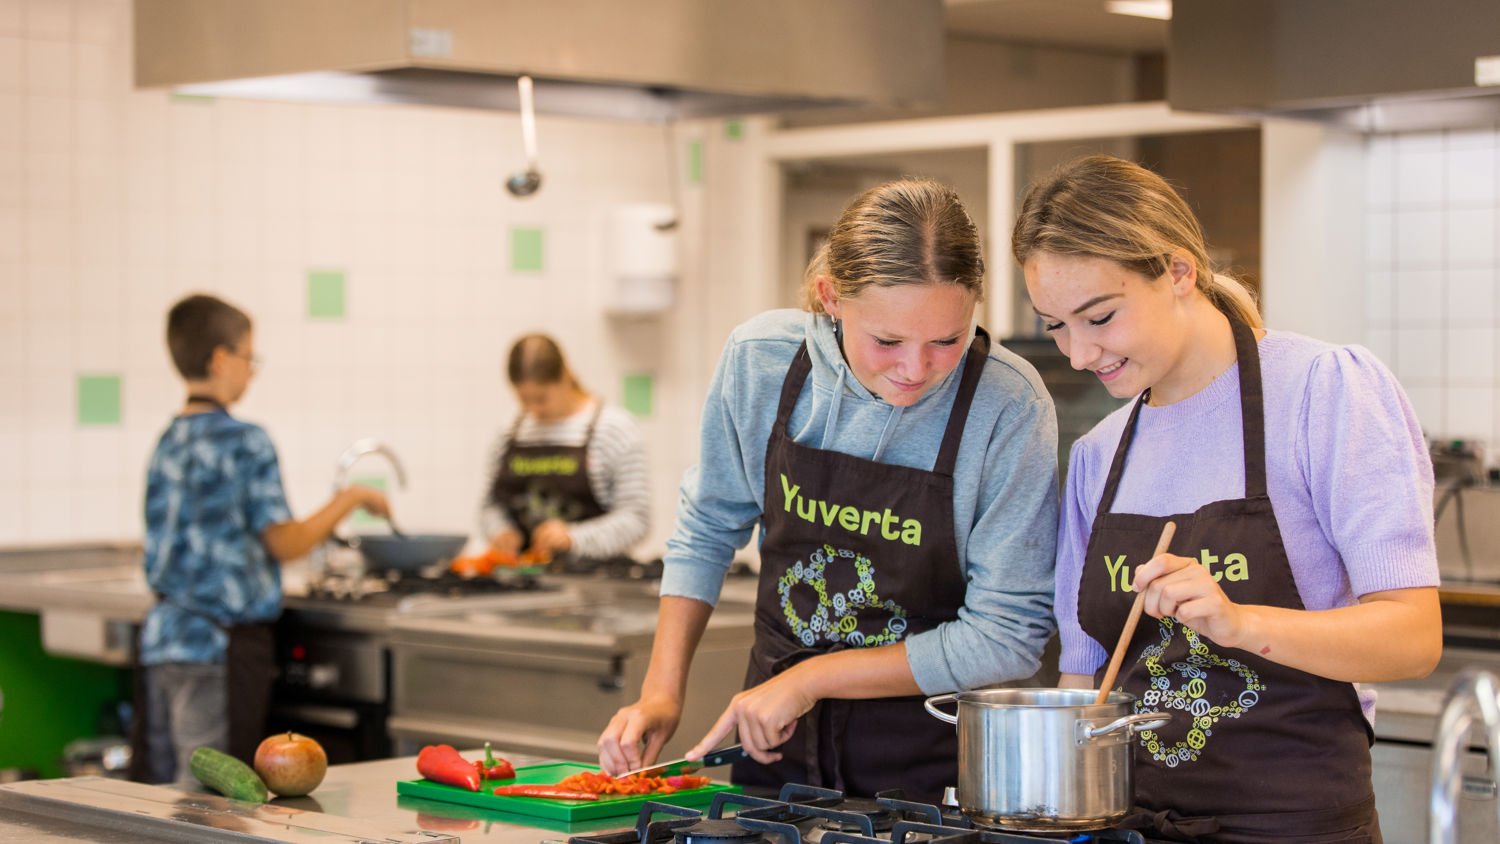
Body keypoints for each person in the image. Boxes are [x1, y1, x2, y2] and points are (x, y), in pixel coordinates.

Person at [1014, 154, 1441, 842]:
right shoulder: (1100, 453)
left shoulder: (1324, 392)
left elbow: (1412, 638)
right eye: (1056, 324)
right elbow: (1083, 672)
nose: (1079, 354)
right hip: (1132, 823)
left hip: (1292, 826)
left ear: (1179, 272)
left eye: (1100, 316)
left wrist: (1236, 621)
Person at [596, 179, 1060, 801]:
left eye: (946, 340)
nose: (915, 370)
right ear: (830, 297)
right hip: (774, 743)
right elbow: (708, 527)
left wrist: (816, 677)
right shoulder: (762, 360)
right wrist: (661, 691)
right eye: (887, 341)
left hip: (934, 763)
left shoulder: (1007, 404)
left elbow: (1007, 635)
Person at [130, 293, 391, 788]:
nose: (251, 370)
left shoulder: (168, 439)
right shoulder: (245, 440)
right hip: (218, 645)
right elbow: (285, 543)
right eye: (250, 358)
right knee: (211, 802)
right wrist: (350, 498)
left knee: (158, 796)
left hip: (163, 640)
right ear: (220, 359)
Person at [480, 334, 649, 565]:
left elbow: (636, 519)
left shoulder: (614, 429)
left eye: (541, 398)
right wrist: (500, 531)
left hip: (598, 580)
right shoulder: (510, 432)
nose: (533, 409)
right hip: (525, 577)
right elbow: (490, 505)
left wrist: (573, 538)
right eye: (523, 399)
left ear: (566, 376)